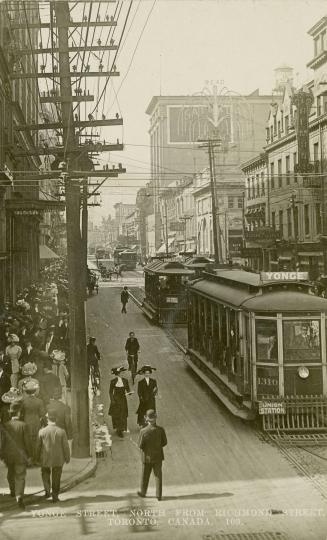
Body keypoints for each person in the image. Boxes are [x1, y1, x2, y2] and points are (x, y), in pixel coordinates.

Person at [0, 401, 31, 510]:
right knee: (20, 476)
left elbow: (2, 441)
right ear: (18, 413)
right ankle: (19, 497)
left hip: (8, 455)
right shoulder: (23, 425)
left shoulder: (5, 426)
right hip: (21, 455)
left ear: (10, 413)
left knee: (10, 473)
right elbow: (27, 442)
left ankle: (12, 490)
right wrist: (29, 454)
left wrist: (2, 453)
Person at [36, 410, 71, 502]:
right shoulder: (61, 431)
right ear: (56, 419)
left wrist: (36, 458)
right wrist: (67, 458)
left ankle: (47, 491)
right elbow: (66, 447)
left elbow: (38, 447)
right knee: (56, 476)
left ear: (47, 419)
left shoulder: (42, 431)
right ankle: (55, 496)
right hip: (58, 459)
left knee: (45, 473)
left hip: (45, 458)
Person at [137, 410, 167, 501]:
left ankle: (143, 492)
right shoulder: (161, 430)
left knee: (145, 475)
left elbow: (140, 445)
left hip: (147, 458)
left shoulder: (143, 431)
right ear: (155, 418)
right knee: (158, 475)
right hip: (158, 457)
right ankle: (159, 495)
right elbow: (164, 442)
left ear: (146, 419)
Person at [21, 380, 45, 462]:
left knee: (27, 440)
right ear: (35, 391)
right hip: (36, 422)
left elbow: (22, 414)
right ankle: (36, 459)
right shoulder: (39, 401)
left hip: (26, 421)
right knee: (36, 440)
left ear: (27, 392)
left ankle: (29, 458)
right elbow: (42, 414)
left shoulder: (23, 401)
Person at [108, 366, 130, 438]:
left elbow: (128, 390)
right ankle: (118, 430)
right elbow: (110, 392)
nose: (122, 374)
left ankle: (122, 428)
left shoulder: (125, 381)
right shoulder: (113, 381)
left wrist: (129, 393)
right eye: (121, 373)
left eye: (122, 373)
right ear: (117, 374)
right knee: (117, 414)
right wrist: (112, 400)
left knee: (123, 414)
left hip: (123, 399)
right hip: (116, 399)